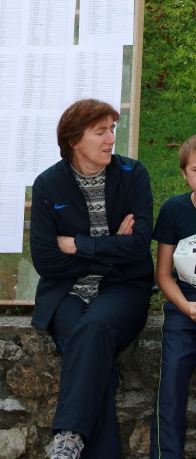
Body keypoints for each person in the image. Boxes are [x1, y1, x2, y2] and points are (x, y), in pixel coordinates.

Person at [30, 98, 154, 459]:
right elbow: (46, 260)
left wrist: (77, 245)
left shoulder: (133, 174)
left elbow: (137, 247)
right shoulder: (48, 185)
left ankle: (67, 439)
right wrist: (111, 247)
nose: (111, 139)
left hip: (123, 288)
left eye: (112, 129)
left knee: (93, 329)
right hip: (66, 292)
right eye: (100, 132)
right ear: (73, 140)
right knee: (93, 361)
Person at [150, 135, 196, 459]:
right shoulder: (173, 210)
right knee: (172, 378)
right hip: (184, 301)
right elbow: (163, 275)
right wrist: (187, 307)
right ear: (184, 174)